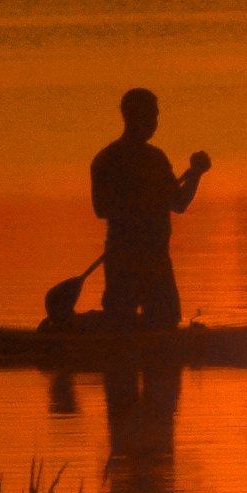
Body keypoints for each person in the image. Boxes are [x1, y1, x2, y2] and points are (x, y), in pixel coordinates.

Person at [84, 87, 208, 329]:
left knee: (138, 326)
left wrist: (195, 173)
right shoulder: (117, 159)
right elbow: (101, 209)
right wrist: (140, 199)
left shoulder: (140, 158)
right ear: (135, 116)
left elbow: (177, 203)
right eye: (152, 115)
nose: (155, 122)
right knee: (139, 325)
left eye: (156, 115)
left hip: (140, 258)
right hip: (134, 260)